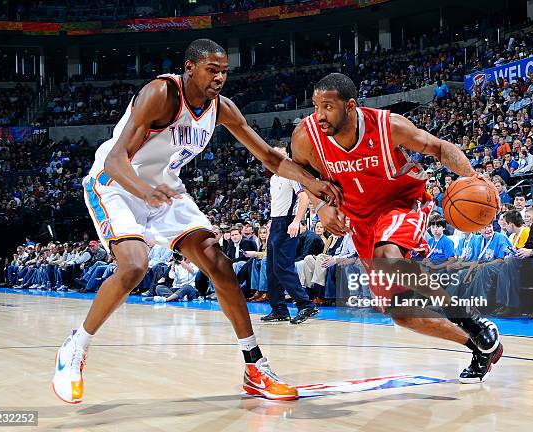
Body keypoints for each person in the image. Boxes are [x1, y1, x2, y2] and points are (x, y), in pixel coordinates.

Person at [52, 39, 342, 404]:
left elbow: (269, 156)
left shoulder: (222, 109)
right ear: (189, 68)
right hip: (116, 185)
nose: (220, 78)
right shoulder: (160, 93)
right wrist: (143, 192)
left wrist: (312, 181)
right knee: (134, 266)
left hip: (163, 189)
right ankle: (75, 347)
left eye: (224, 71)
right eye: (212, 70)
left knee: (218, 263)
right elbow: (114, 160)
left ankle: (255, 366)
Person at [291, 73, 501, 384]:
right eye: (315, 106)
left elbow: (439, 148)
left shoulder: (389, 125)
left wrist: (471, 175)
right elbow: (302, 174)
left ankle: (469, 319)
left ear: (350, 106)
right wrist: (321, 206)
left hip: (402, 201)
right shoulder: (306, 137)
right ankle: (479, 346)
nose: (319, 115)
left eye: (328, 106)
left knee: (389, 256)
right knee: (402, 314)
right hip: (360, 221)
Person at [261, 141, 319, 325]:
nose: (277, 159)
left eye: (281, 155)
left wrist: (296, 221)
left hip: (288, 223)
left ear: (287, 156)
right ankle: (279, 309)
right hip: (276, 223)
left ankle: (306, 305)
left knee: (283, 267)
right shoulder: (273, 178)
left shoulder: (292, 175)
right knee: (271, 268)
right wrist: (271, 223)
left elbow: (303, 198)